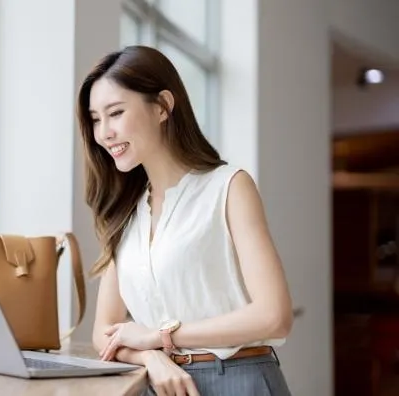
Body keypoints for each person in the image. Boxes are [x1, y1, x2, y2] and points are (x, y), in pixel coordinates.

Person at [76, 45, 294, 396]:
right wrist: (150, 357)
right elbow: (104, 330)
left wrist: (161, 336)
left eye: (115, 113)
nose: (104, 133)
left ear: (162, 106)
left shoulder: (228, 187)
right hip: (158, 384)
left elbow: (274, 315)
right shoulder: (126, 212)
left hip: (239, 380)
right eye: (96, 119)